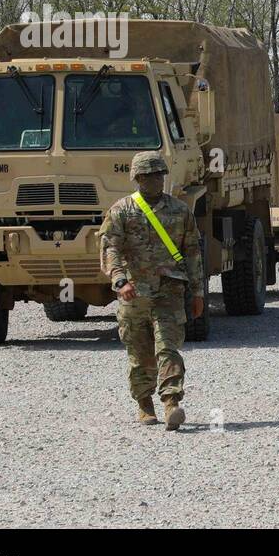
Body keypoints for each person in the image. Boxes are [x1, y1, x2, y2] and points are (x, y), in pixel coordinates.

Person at [100, 152, 203, 430]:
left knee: (168, 347)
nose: (155, 180)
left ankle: (171, 403)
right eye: (148, 176)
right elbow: (110, 248)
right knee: (140, 353)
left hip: (169, 291)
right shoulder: (121, 211)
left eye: (159, 174)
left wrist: (198, 292)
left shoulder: (180, 211)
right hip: (134, 296)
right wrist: (120, 280)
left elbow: (192, 253)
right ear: (137, 179)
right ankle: (144, 403)